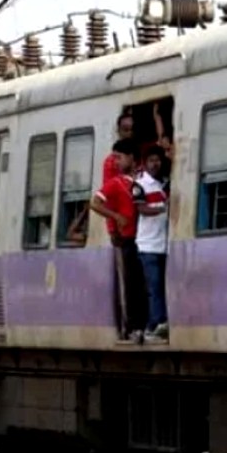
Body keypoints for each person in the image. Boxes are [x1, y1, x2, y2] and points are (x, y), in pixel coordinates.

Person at [91, 139, 148, 343]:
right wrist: (116, 217)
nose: (115, 162)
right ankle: (132, 326)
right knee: (131, 284)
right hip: (128, 238)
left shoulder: (141, 180)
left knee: (142, 284)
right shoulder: (115, 183)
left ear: (132, 158)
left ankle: (144, 324)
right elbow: (95, 203)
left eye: (119, 157)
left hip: (145, 238)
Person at [135, 145, 170, 342]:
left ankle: (153, 325)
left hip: (163, 244)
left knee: (160, 286)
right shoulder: (139, 185)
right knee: (155, 286)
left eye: (158, 160)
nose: (155, 164)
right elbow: (141, 209)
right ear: (145, 164)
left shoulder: (164, 184)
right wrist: (163, 209)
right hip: (147, 244)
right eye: (151, 161)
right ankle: (157, 323)